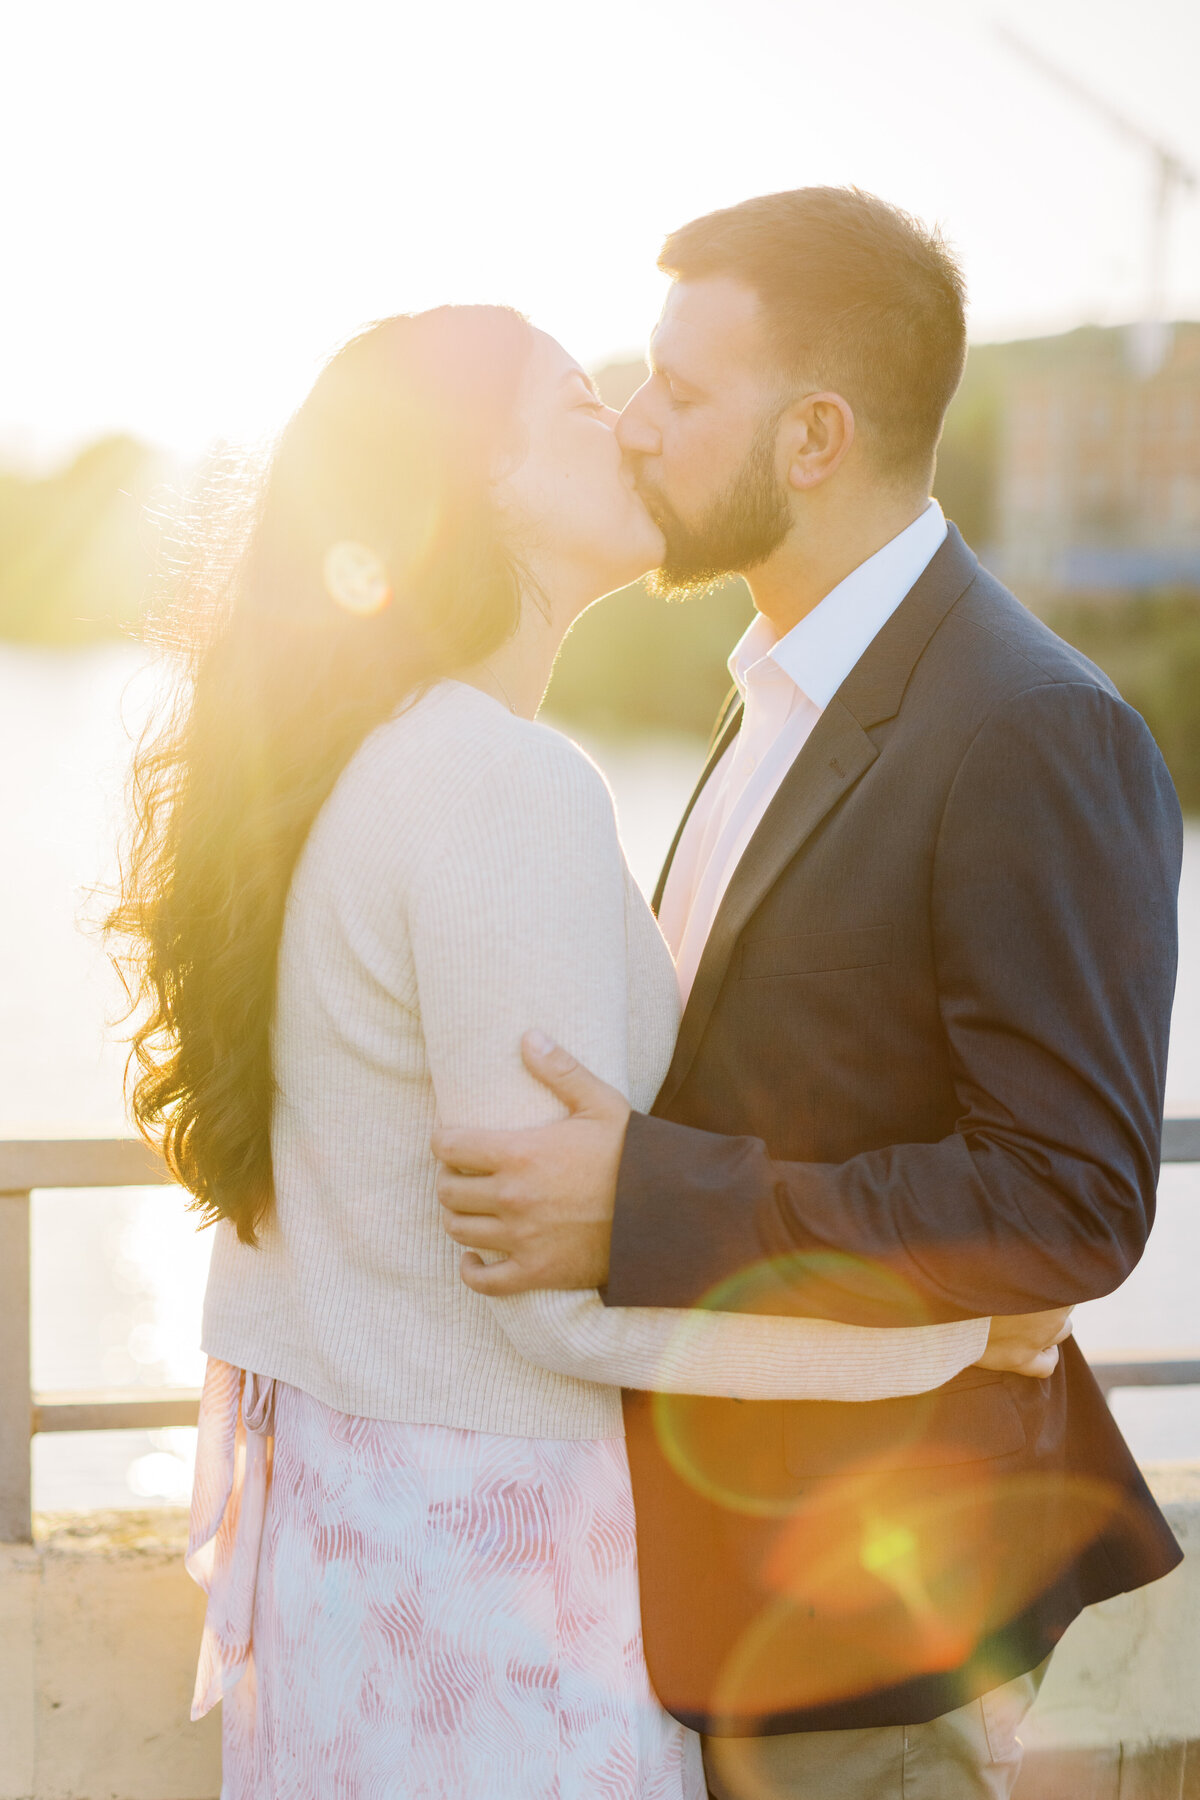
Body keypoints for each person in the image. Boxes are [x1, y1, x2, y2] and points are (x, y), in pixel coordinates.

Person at [107, 302, 1066, 1799]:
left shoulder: (363, 761)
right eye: (576, 401)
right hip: (492, 1580)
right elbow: (559, 1303)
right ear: (472, 487)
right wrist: (950, 1340)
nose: (626, 419)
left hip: (349, 1564)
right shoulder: (498, 782)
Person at [433, 190, 1185, 1800]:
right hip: (712, 1600)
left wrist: (646, 1198)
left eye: (681, 394)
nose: (633, 428)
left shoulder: (1031, 729)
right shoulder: (780, 688)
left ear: (815, 436)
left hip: (864, 1629)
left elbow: (1070, 1200)